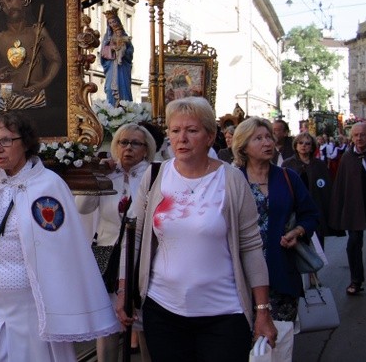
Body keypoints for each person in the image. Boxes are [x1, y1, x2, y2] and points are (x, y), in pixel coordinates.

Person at [116, 97, 276, 362]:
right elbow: (136, 238)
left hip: (223, 314)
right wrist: (123, 290)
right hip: (163, 310)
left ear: (210, 136)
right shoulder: (155, 176)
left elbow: (250, 248)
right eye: (175, 131)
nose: (182, 139)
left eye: (192, 131)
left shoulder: (231, 180)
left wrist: (262, 310)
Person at [0, 110, 117, 361]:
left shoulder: (49, 184)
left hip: (33, 306)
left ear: (26, 142)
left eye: (6, 140)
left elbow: (64, 249)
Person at [234, 117, 319, 361]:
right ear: (243, 146)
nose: (267, 142)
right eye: (258, 138)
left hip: (281, 274)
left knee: (280, 342)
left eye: (269, 137)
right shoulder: (232, 179)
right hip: (240, 277)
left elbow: (311, 215)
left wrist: (298, 231)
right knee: (245, 345)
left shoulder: (288, 177)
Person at [76, 122, 156, 362]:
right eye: (123, 142)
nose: (128, 148)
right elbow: (82, 207)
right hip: (105, 251)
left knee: (142, 321)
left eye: (135, 143)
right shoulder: (108, 173)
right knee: (106, 322)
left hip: (139, 253)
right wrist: (98, 176)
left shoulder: (152, 174)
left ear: (146, 149)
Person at [328, 122, 366, 296]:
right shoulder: (347, 157)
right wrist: (338, 211)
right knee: (353, 243)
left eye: (363, 135)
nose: (359, 138)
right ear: (352, 137)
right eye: (356, 135)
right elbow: (340, 185)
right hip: (354, 206)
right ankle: (356, 280)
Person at [282, 132, 333, 248]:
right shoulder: (288, 164)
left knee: (318, 247)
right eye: (300, 143)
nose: (303, 146)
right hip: (296, 209)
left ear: (312, 147)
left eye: (307, 144)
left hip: (315, 207)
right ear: (296, 145)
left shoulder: (319, 164)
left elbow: (326, 188)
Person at [100, 10, 134, 105]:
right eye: (110, 23)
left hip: (122, 67)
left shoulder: (124, 36)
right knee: (110, 88)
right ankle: (111, 111)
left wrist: (122, 52)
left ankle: (126, 110)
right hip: (111, 66)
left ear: (118, 21)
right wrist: (111, 49)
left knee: (123, 87)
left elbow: (130, 51)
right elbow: (102, 53)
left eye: (114, 21)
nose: (112, 24)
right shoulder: (107, 37)